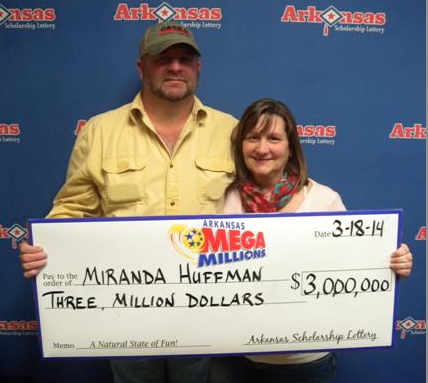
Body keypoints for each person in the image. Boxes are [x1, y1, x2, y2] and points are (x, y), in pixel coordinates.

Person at [19, 21, 238, 383]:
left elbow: (257, 208)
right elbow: (73, 208)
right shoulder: (100, 131)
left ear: (197, 68)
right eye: (163, 59)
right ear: (141, 67)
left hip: (207, 309)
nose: (175, 67)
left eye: (185, 59)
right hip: (126, 312)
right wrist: (45, 246)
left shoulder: (230, 130)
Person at [209, 98, 413, 383]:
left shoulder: (323, 199)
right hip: (236, 359)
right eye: (252, 137)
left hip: (305, 362)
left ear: (291, 146)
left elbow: (358, 267)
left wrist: (391, 263)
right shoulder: (223, 199)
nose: (262, 148)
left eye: (274, 138)